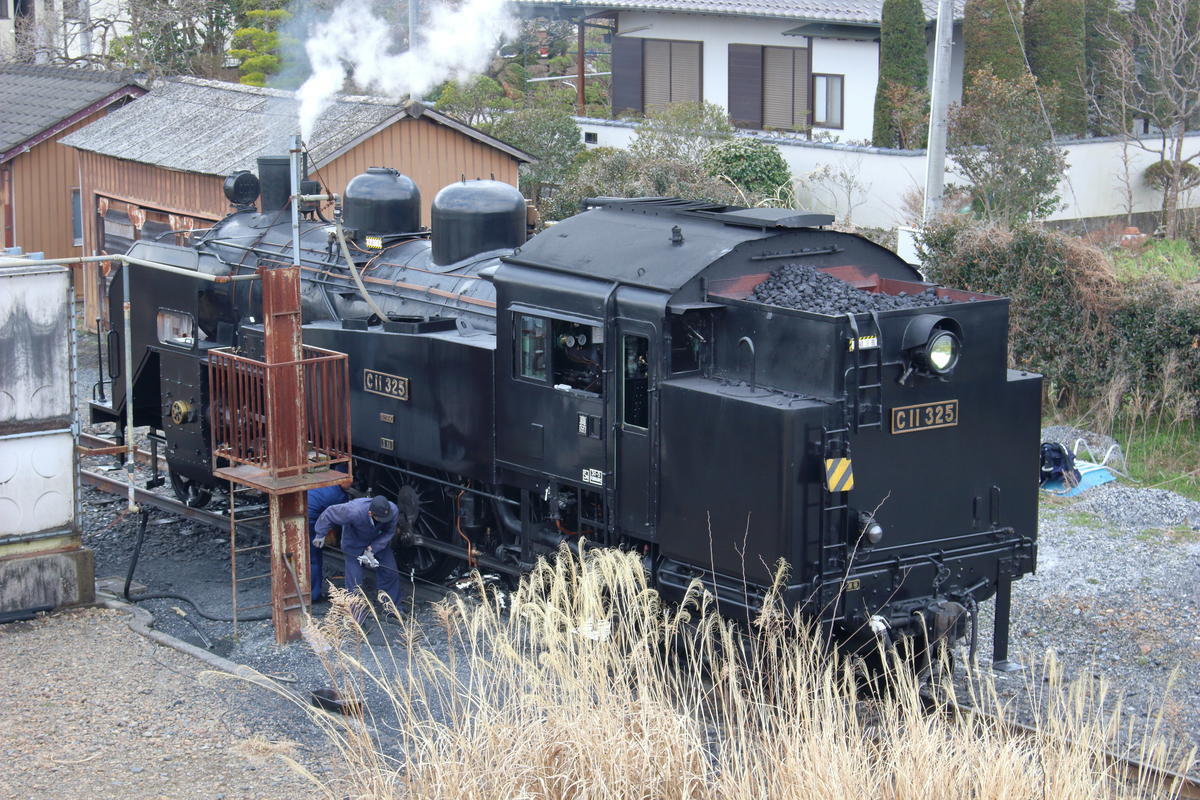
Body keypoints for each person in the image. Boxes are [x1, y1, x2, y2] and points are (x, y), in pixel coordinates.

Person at [312, 495, 405, 616]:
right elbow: (329, 513)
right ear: (371, 513)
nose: (383, 521)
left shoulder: (393, 511)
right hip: (353, 545)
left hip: (377, 542)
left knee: (390, 571)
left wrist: (372, 549)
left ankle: (393, 609)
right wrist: (320, 534)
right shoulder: (354, 511)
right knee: (354, 581)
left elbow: (389, 533)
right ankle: (355, 616)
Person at [307, 477, 349, 603]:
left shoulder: (323, 482)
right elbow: (339, 519)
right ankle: (314, 595)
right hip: (310, 521)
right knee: (314, 559)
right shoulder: (338, 496)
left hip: (300, 510)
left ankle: (301, 590)